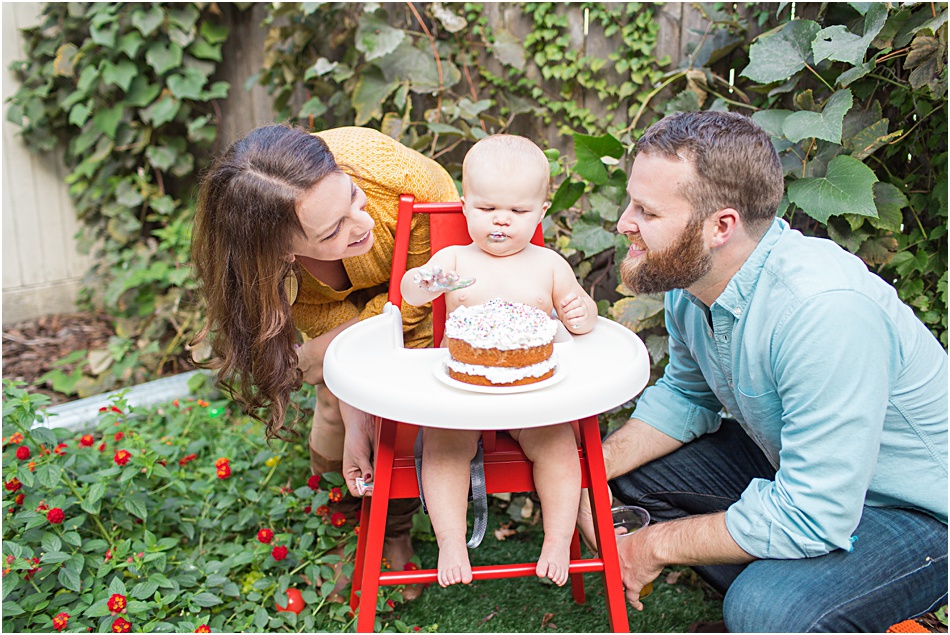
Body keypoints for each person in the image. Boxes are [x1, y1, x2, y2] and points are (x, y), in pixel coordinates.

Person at [577, 110, 948, 632]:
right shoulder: (693, 284)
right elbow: (686, 398)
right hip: (808, 478)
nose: (624, 223)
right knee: (630, 472)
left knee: (765, 609)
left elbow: (816, 509)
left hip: (918, 514)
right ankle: (818, 590)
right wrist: (587, 471)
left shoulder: (822, 312)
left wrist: (651, 546)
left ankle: (854, 609)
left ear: (720, 227)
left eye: (647, 211)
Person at [191, 124, 459, 600]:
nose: (361, 223)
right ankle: (341, 522)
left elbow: (423, 299)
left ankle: (394, 528)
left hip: (426, 300)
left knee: (396, 403)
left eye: (352, 197)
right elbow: (337, 340)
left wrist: (325, 354)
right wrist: (348, 396)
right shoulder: (267, 269)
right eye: (333, 230)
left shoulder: (401, 176)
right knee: (333, 402)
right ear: (281, 253)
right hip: (359, 317)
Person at [400, 135, 598, 587]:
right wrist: (428, 280)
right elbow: (411, 293)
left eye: (517, 211)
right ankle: (451, 539)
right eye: (487, 208)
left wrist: (581, 312)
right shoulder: (454, 259)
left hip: (532, 394)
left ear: (541, 213)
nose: (501, 220)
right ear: (465, 206)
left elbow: (583, 316)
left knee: (559, 448)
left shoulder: (549, 264)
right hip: (463, 392)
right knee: (444, 447)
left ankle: (557, 538)